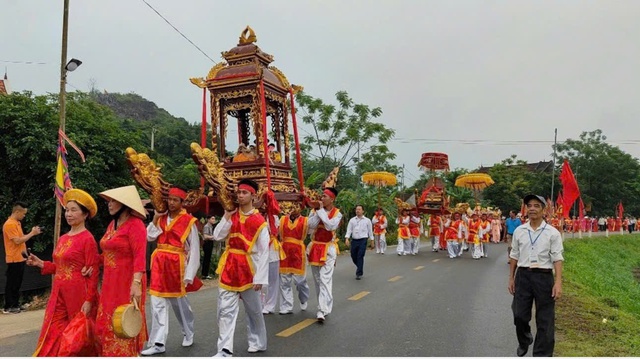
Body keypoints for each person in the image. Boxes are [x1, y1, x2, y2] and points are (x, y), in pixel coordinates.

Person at [28, 190, 99, 356]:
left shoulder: (87, 239)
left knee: (77, 335)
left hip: (78, 292)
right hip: (58, 292)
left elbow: (93, 272)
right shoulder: (63, 238)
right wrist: (40, 263)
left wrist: (89, 300)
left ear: (85, 214)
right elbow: (59, 267)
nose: (69, 214)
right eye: (67, 210)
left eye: (74, 210)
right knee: (53, 331)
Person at [212, 179, 269, 357]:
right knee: (225, 310)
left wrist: (260, 277)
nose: (240, 195)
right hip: (229, 266)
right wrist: (227, 216)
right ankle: (225, 350)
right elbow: (217, 235)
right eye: (239, 192)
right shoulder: (231, 214)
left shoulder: (259, 221)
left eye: (244, 193)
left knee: (254, 310)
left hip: (249, 269)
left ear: (253, 195)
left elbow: (264, 250)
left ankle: (257, 341)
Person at [141, 187, 201, 355]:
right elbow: (149, 237)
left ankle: (188, 331)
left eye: (176, 200)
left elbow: (195, 248)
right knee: (157, 303)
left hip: (177, 265)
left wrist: (190, 274)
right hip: (160, 263)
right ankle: (158, 343)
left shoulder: (188, 221)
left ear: (182, 203)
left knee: (180, 304)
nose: (172, 203)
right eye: (170, 199)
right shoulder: (160, 217)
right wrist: (154, 219)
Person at [94, 185, 148, 356]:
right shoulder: (112, 225)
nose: (109, 204)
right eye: (109, 201)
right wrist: (93, 263)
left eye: (113, 201)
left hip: (127, 281)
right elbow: (107, 253)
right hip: (110, 281)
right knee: (108, 319)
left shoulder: (136, 225)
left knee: (123, 321)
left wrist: (137, 283)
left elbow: (140, 256)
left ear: (124, 204)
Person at [508, 194, 564, 357]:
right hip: (523, 276)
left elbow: (557, 258)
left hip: (544, 277)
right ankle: (524, 339)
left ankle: (542, 354)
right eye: (529, 205)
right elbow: (514, 255)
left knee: (545, 320)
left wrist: (558, 282)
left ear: (543, 210)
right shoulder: (520, 231)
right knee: (519, 314)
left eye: (536, 206)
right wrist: (511, 277)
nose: (532, 208)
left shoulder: (552, 233)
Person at [307, 187, 342, 322]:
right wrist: (317, 211)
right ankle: (324, 306)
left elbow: (330, 226)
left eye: (324, 196)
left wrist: (321, 211)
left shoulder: (337, 213)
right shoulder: (314, 211)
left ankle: (322, 309)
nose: (322, 198)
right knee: (317, 280)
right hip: (315, 247)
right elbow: (310, 227)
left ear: (332, 199)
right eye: (321, 196)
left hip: (328, 249)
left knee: (325, 278)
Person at [3, 201, 42, 314]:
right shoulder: (9, 224)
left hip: (20, 257)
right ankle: (9, 306)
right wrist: (32, 233)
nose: (24, 216)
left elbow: (21, 240)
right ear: (17, 211)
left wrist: (26, 255)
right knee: (12, 282)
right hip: (13, 258)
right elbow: (17, 241)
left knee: (17, 282)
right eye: (23, 214)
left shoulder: (17, 223)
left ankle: (15, 304)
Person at [277, 205, 310, 314]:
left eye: (295, 205)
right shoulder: (282, 219)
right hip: (285, 252)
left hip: (298, 253)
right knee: (284, 281)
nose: (292, 208)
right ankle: (287, 305)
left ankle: (303, 298)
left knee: (300, 281)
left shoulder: (305, 221)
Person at [344, 205, 373, 280]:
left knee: (360, 255)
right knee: (353, 256)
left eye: (359, 209)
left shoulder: (367, 220)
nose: (357, 211)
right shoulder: (352, 220)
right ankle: (359, 266)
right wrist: (347, 238)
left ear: (363, 211)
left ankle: (359, 273)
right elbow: (349, 230)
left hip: (363, 240)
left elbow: (370, 231)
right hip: (354, 240)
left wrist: (372, 240)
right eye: (357, 209)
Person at [202, 215, 218, 279]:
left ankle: (206, 274)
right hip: (207, 243)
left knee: (208, 259)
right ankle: (204, 274)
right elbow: (205, 236)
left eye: (214, 219)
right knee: (206, 259)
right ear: (208, 219)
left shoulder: (211, 226)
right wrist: (213, 237)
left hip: (210, 243)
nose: (213, 220)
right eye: (212, 219)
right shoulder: (206, 226)